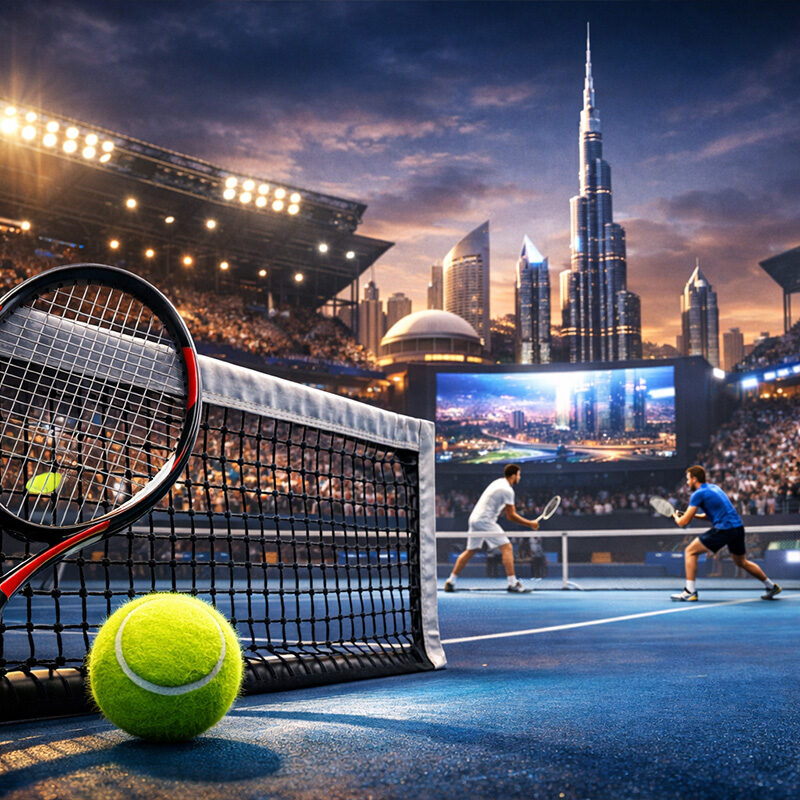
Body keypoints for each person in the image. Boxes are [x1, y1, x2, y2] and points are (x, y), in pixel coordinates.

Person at [670, 465, 781, 602]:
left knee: (690, 551)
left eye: (688, 479)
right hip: (737, 528)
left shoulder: (697, 494)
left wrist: (676, 517)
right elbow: (711, 515)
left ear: (694, 478)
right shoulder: (714, 488)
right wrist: (693, 516)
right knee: (742, 562)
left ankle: (689, 592)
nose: (687, 483)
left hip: (724, 529)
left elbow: (683, 523)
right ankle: (771, 586)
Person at [443, 464, 539, 593]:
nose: (519, 477)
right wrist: (530, 524)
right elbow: (511, 516)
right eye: (519, 475)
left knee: (471, 550)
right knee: (507, 547)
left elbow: (500, 509)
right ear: (513, 475)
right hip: (485, 521)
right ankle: (513, 583)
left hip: (474, 519)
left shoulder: (498, 483)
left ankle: (451, 581)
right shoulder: (507, 490)